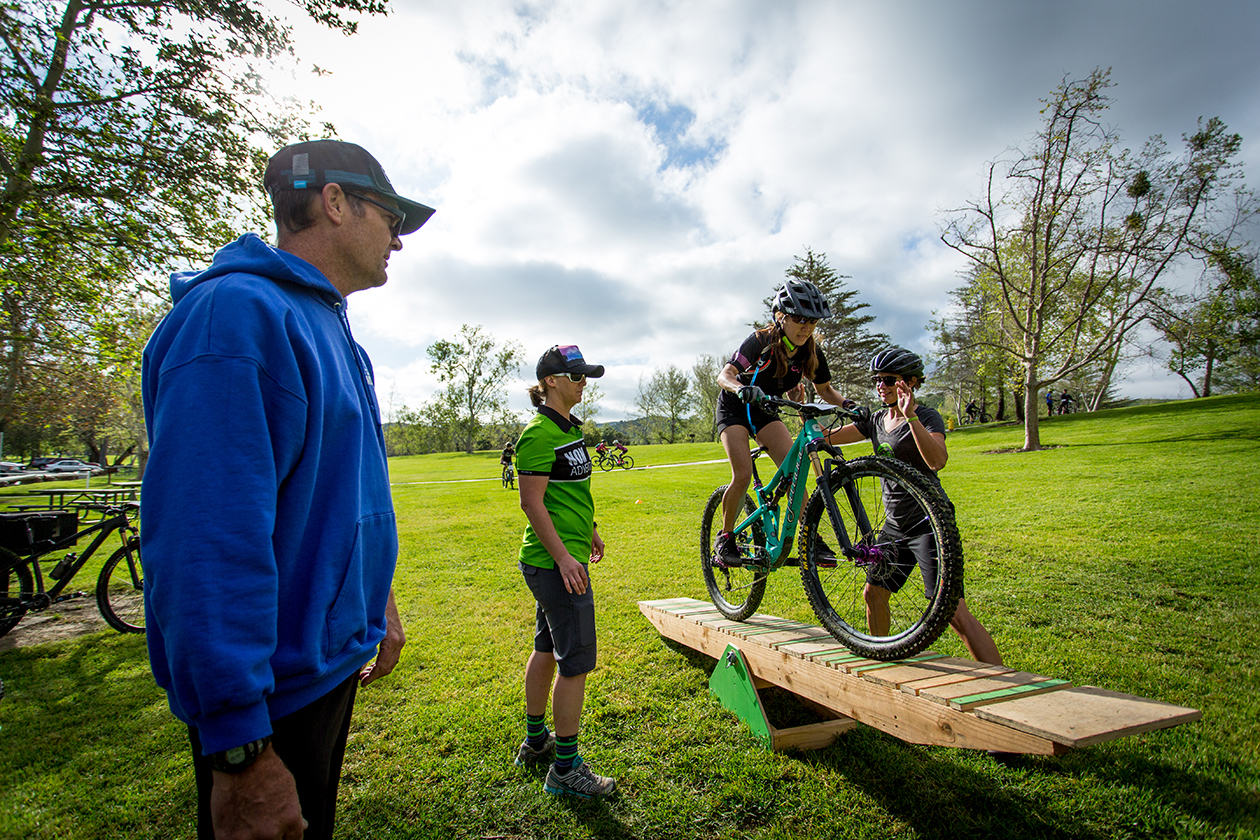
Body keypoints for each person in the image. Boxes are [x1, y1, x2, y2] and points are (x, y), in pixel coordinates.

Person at [142, 140, 434, 840]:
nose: (398, 238)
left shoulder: (334, 330)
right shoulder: (233, 317)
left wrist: (377, 600)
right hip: (267, 705)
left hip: (327, 669)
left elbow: (343, 497)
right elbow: (203, 544)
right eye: (390, 215)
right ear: (334, 202)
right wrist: (240, 749)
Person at [825, 347, 1004, 667]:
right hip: (895, 525)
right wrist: (800, 413)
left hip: (929, 522)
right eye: (877, 380)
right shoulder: (877, 419)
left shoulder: (927, 416)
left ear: (910, 382)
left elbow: (938, 460)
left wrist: (910, 417)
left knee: (953, 613)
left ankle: (1003, 682)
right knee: (873, 594)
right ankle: (882, 661)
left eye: (889, 380)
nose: (881, 385)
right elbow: (828, 437)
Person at [513, 344, 616, 799]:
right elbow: (531, 503)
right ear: (550, 381)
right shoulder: (538, 434)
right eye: (575, 376)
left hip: (562, 557)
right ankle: (566, 769)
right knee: (574, 664)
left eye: (586, 375)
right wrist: (563, 558)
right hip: (556, 565)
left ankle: (536, 743)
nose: (583, 383)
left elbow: (566, 493)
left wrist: (589, 528)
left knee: (546, 647)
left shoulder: (568, 428)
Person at [712, 278, 849, 563]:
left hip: (765, 409)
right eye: (799, 319)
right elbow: (724, 376)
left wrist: (850, 405)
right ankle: (725, 539)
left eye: (812, 322)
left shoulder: (810, 350)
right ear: (780, 316)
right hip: (735, 406)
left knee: (795, 473)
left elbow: (825, 390)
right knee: (743, 474)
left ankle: (810, 536)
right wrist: (741, 388)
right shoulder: (760, 341)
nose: (806, 327)